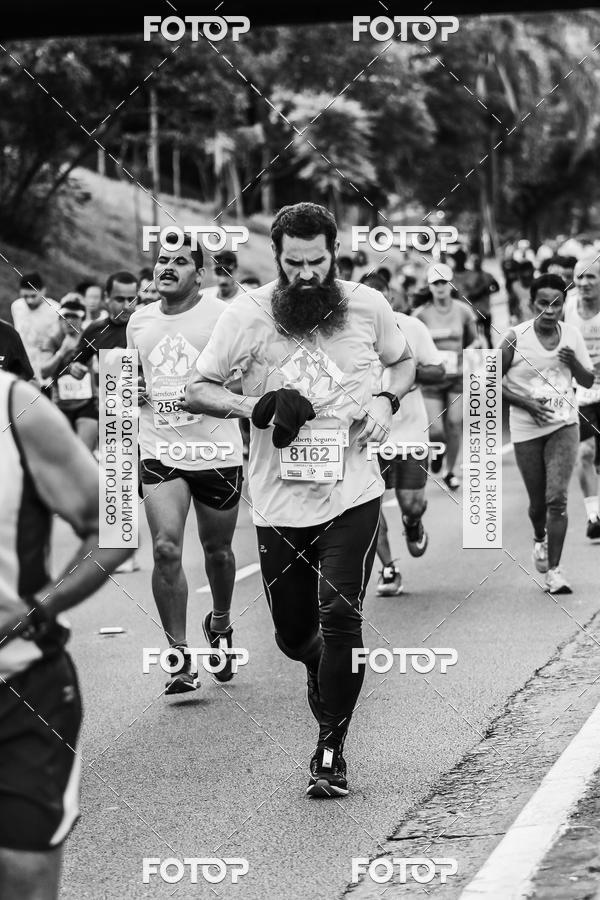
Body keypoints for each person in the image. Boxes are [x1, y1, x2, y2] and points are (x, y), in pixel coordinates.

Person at [182, 202, 415, 797]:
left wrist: (387, 401)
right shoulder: (248, 313)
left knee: (340, 618)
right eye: (294, 263)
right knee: (293, 636)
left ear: (333, 252)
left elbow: (403, 361)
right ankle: (319, 667)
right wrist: (252, 406)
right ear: (277, 258)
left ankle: (330, 749)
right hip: (277, 502)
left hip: (353, 492)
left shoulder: (367, 305)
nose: (306, 274)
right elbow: (195, 388)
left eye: (317, 261)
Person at [0, 370, 131, 900]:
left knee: (21, 874)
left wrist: (39, 608)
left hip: (18, 688)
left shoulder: (14, 406)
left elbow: (116, 525)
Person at [127, 235, 244, 694]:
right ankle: (179, 657)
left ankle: (219, 623)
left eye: (180, 261)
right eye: (161, 260)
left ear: (200, 272)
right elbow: (134, 376)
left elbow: (245, 372)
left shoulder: (222, 316)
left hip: (216, 451)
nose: (167, 267)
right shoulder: (139, 321)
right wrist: (134, 391)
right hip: (161, 450)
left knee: (218, 552)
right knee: (165, 549)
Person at [501, 274, 594, 594]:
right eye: (544, 303)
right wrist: (523, 402)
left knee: (557, 499)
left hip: (564, 425)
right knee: (538, 504)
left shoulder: (571, 335)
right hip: (527, 431)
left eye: (557, 302)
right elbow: (485, 381)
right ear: (532, 303)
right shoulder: (515, 337)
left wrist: (573, 363)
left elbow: (587, 381)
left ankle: (554, 570)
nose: (550, 309)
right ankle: (539, 537)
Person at [361, 274, 445, 597]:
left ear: (390, 298)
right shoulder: (345, 331)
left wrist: (406, 372)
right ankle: (388, 567)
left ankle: (413, 523)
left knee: (411, 502)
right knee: (369, 506)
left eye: (381, 297)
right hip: (366, 433)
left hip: (409, 430)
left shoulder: (412, 327)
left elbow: (437, 371)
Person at [69, 271, 141, 572]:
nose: (127, 305)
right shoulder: (96, 330)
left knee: (146, 484)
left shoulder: (148, 324)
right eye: (120, 299)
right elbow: (77, 362)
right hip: (116, 414)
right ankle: (124, 550)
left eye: (132, 298)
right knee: (118, 480)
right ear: (107, 299)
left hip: (155, 417)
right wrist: (75, 369)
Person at [415, 263, 479, 490]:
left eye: (444, 282)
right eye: (435, 283)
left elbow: (473, 339)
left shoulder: (463, 311)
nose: (440, 287)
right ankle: (437, 454)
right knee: (436, 429)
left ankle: (451, 471)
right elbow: (414, 344)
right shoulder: (421, 314)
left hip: (456, 377)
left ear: (451, 284)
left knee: (454, 423)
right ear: (429, 286)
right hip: (431, 379)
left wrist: (462, 358)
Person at [564, 258, 600, 539]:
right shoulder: (568, 307)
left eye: (591, 277)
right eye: (580, 277)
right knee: (585, 452)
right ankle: (594, 516)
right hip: (582, 389)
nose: (585, 283)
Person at [41, 296, 98, 453]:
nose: (69, 322)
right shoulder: (52, 340)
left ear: (82, 319)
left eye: (74, 317)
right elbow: (44, 372)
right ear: (59, 320)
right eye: (65, 317)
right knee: (62, 454)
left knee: (84, 453)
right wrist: (61, 353)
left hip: (88, 404)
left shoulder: (90, 338)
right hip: (60, 405)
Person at [10, 272, 59, 391]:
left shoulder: (56, 310)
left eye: (33, 296)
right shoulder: (17, 306)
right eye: (25, 296)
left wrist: (51, 342)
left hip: (44, 374)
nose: (29, 301)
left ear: (43, 291)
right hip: (21, 370)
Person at [460, 254, 500, 348]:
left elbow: (496, 287)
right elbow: (469, 295)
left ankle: (492, 361)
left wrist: (489, 291)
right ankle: (479, 361)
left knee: (488, 336)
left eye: (478, 261)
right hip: (474, 313)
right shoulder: (469, 276)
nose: (477, 263)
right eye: (475, 261)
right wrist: (483, 291)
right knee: (475, 338)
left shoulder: (487, 275)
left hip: (486, 311)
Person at [508, 260, 535, 324]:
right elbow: (511, 303)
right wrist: (512, 315)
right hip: (521, 320)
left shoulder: (538, 284)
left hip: (535, 319)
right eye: (523, 270)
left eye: (528, 270)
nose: (526, 273)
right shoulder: (515, 285)